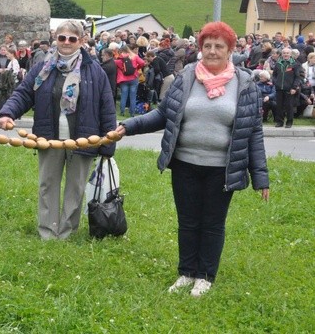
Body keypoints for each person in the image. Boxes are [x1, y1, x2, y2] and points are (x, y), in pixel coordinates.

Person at [113, 21, 270, 297]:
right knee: (187, 221)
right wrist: (130, 126)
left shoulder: (245, 85)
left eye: (218, 46)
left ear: (230, 49)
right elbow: (163, 115)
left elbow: (253, 132)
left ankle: (205, 276)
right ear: (200, 48)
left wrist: (260, 177)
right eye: (207, 45)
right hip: (185, 163)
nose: (212, 51)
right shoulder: (186, 79)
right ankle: (186, 272)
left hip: (222, 168)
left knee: (212, 223)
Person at [0, 20, 117, 240]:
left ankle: (67, 233)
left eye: (72, 38)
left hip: (83, 138)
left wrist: (108, 142)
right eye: (62, 37)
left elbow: (107, 107)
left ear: (81, 41)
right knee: (47, 184)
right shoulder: (43, 68)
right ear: (56, 39)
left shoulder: (95, 71)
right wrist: (7, 113)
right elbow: (24, 93)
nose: (66, 42)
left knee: (75, 187)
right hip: (48, 135)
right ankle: (48, 232)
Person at [272, 47, 302, 128]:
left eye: (287, 53)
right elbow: (274, 75)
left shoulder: (294, 64)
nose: (286, 54)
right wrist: (275, 82)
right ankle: (279, 122)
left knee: (289, 106)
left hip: (290, 88)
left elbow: (297, 77)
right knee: (279, 106)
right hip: (279, 88)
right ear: (282, 54)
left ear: (290, 54)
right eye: (284, 53)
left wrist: (294, 88)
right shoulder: (278, 63)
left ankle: (289, 122)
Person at [115, 45, 145, 116]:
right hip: (134, 78)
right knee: (133, 96)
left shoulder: (119, 58)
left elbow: (115, 64)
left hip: (123, 80)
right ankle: (132, 113)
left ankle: (122, 112)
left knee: (124, 96)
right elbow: (142, 63)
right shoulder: (134, 56)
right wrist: (136, 68)